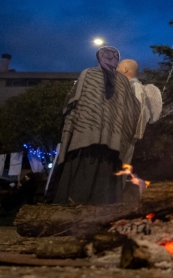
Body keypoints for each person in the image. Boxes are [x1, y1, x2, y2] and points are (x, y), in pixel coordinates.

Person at [49, 47, 140, 205]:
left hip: (83, 138)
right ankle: (103, 213)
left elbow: (72, 101)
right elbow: (133, 110)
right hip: (112, 143)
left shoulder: (87, 73)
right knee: (107, 181)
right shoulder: (124, 82)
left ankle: (73, 207)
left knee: (79, 175)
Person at [117, 59, 163, 164]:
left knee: (119, 167)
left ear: (125, 69)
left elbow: (138, 112)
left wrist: (131, 132)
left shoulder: (134, 87)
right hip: (122, 135)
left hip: (124, 135)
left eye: (118, 67)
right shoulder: (127, 86)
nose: (116, 69)